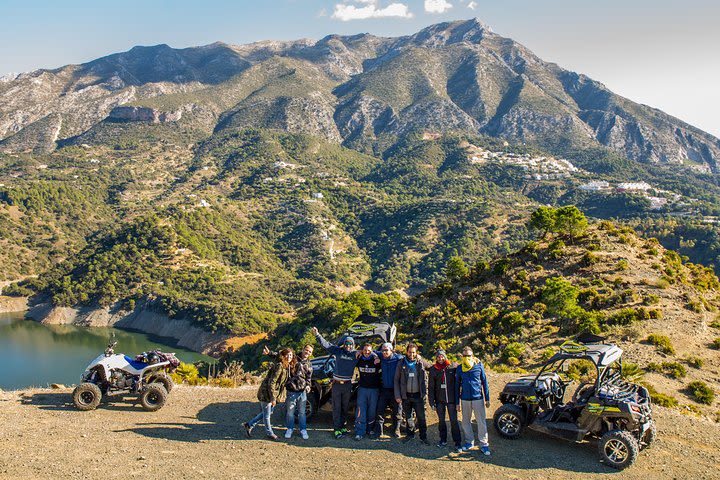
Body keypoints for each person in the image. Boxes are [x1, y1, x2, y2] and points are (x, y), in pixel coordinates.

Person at [312, 326, 361, 439]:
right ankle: (337, 429)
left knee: (345, 407)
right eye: (347, 344)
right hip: (337, 385)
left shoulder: (355, 355)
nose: (348, 346)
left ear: (353, 345)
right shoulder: (338, 351)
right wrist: (317, 335)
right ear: (344, 344)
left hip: (347, 385)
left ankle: (343, 427)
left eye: (350, 344)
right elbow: (326, 344)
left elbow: (369, 353)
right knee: (337, 407)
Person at [263, 343, 314, 440]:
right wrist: (269, 353)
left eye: (310, 352)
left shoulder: (309, 364)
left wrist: (308, 386)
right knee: (290, 412)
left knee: (302, 413)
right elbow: (281, 356)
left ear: (311, 354)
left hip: (302, 391)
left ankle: (303, 430)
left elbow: (309, 378)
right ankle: (289, 429)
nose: (307, 352)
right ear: (303, 349)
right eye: (306, 350)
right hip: (291, 390)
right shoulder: (294, 358)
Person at [243, 348, 294, 440]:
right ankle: (269, 433)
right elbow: (272, 382)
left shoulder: (286, 366)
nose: (289, 357)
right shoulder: (280, 366)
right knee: (267, 415)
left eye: (291, 355)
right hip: (266, 393)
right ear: (283, 355)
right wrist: (273, 398)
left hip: (272, 393)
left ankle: (249, 424)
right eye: (287, 355)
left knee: (268, 412)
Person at [456, 346, 491, 455]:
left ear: (473, 356)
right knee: (466, 421)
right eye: (465, 355)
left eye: (469, 355)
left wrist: (487, 398)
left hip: (478, 398)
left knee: (481, 421)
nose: (467, 357)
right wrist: (457, 402)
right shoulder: (460, 368)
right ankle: (469, 442)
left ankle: (484, 444)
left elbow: (484, 382)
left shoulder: (479, 366)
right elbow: (457, 386)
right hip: (465, 399)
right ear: (462, 356)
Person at [394, 343, 431, 445]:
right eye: (410, 352)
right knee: (408, 417)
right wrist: (398, 395)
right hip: (406, 395)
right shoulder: (401, 363)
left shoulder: (420, 362)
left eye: (413, 352)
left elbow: (431, 367)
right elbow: (396, 380)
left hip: (418, 395)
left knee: (421, 417)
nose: (411, 354)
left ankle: (423, 437)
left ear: (416, 353)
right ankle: (410, 435)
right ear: (407, 352)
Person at [428, 349, 461, 450]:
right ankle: (443, 440)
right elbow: (431, 387)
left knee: (453, 421)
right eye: (438, 357)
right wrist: (431, 402)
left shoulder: (452, 367)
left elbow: (462, 368)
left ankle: (457, 442)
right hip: (439, 401)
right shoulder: (433, 369)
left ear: (445, 357)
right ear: (436, 358)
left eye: (442, 356)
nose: (440, 358)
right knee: (441, 421)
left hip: (451, 400)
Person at [374, 342, 404, 437]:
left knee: (397, 411)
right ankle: (379, 431)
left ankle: (396, 430)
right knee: (380, 410)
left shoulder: (398, 358)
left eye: (386, 350)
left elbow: (410, 357)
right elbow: (371, 351)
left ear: (392, 350)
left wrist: (419, 357)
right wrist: (359, 351)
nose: (384, 352)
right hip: (384, 389)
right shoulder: (381, 356)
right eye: (383, 350)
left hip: (395, 390)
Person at [354, 343, 381, 440]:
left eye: (369, 350)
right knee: (360, 410)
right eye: (365, 350)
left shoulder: (376, 360)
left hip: (374, 389)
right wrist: (357, 352)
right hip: (362, 389)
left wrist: (377, 357)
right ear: (362, 350)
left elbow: (387, 355)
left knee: (372, 411)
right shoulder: (359, 359)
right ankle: (360, 431)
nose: (367, 352)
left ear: (372, 351)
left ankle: (370, 429)